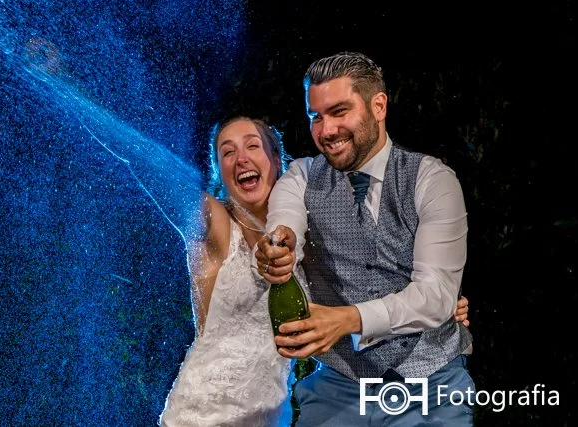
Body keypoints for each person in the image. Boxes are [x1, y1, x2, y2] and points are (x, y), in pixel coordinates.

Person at [160, 115, 470, 426]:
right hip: (204, 411)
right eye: (228, 152)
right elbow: (165, 181)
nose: (241, 159)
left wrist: (438, 305)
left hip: (270, 414)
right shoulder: (214, 223)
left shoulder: (305, 242)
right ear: (219, 170)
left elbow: (369, 284)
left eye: (252, 146)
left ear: (277, 159)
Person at [255, 52, 474, 425]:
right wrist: (280, 245)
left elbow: (437, 295)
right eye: (315, 116)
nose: (326, 130)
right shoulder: (301, 177)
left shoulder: (433, 180)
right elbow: (285, 223)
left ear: (378, 106)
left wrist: (349, 319)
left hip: (432, 383)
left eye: (339, 112)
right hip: (337, 386)